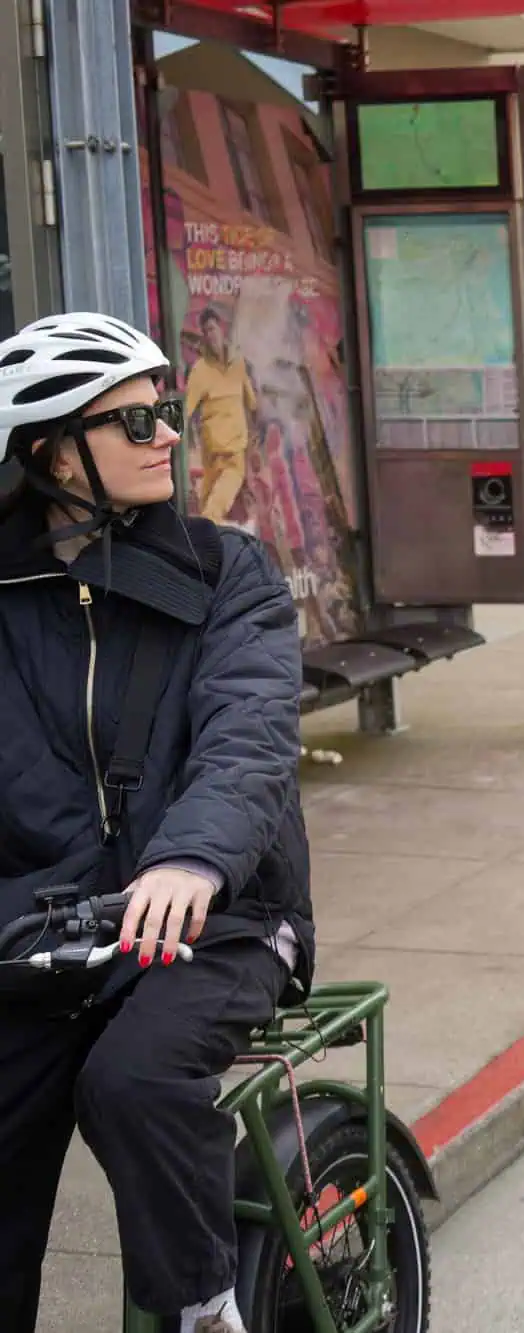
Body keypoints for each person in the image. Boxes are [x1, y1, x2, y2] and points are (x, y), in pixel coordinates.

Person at [0, 312, 315, 1332]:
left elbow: (249, 735)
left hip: (214, 915)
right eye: (134, 421)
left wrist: (191, 858)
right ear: (52, 452)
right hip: (49, 927)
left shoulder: (227, 571)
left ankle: (202, 1308)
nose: (168, 437)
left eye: (166, 413)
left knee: (129, 1081)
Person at [182, 305, 256, 528]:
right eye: (206, 332)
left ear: (221, 329)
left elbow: (251, 402)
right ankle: (203, 544)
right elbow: (186, 408)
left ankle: (203, 551)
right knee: (210, 510)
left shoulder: (238, 363)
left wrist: (254, 435)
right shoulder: (200, 370)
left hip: (235, 450)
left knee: (212, 507)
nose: (210, 336)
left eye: (212, 329)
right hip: (212, 451)